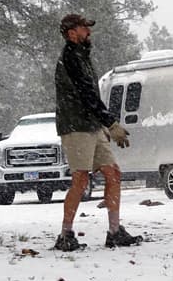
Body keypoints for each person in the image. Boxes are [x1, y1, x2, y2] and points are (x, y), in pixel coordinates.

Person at [53, 13, 142, 251]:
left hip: (92, 124)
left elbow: (91, 97)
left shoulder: (82, 56)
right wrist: (111, 124)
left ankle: (114, 231)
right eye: (84, 29)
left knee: (113, 173)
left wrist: (104, 123)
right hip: (75, 126)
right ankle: (65, 235)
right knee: (80, 179)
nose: (89, 33)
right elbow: (86, 95)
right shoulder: (70, 58)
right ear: (72, 33)